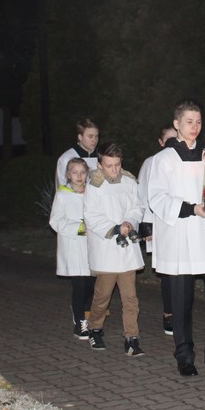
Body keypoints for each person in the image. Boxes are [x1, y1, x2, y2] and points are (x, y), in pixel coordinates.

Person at [148, 99, 205, 377]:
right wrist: (192, 208)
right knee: (181, 301)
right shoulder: (163, 159)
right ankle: (184, 355)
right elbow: (157, 198)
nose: (194, 127)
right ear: (177, 124)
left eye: (198, 122)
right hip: (180, 235)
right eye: (188, 122)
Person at [84, 142, 145, 356]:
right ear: (100, 165)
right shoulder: (94, 185)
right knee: (102, 296)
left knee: (130, 298)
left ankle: (132, 338)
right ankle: (95, 328)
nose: (114, 170)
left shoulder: (129, 181)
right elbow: (91, 216)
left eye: (117, 165)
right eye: (109, 166)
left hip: (126, 251)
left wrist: (129, 222)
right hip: (107, 250)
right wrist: (115, 228)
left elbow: (137, 207)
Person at [136, 124, 177, 335]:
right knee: (167, 272)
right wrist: (145, 225)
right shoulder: (151, 162)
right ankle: (169, 313)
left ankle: (182, 312)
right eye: (168, 140)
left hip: (180, 223)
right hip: (158, 224)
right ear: (161, 142)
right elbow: (143, 194)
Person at [50, 158, 95, 341]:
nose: (79, 176)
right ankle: (80, 321)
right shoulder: (63, 195)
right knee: (79, 284)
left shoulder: (92, 193)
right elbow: (55, 220)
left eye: (82, 172)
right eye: (74, 172)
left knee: (91, 284)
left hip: (91, 246)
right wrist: (78, 228)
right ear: (68, 175)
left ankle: (85, 312)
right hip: (74, 246)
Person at [55, 118, 100, 188]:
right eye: (90, 136)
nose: (94, 140)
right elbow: (61, 187)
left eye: (96, 136)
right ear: (80, 137)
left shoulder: (102, 156)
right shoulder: (66, 158)